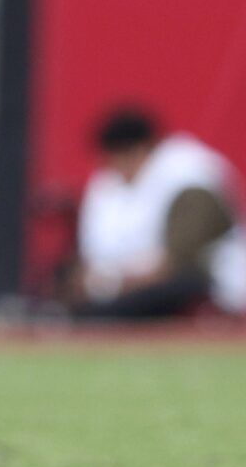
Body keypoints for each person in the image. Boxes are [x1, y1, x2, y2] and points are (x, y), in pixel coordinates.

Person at [68, 108, 245, 319]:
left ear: (138, 150)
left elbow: (181, 260)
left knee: (173, 288)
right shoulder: (107, 182)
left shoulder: (188, 175)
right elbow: (91, 254)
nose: (114, 169)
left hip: (207, 285)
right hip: (124, 285)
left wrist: (113, 283)